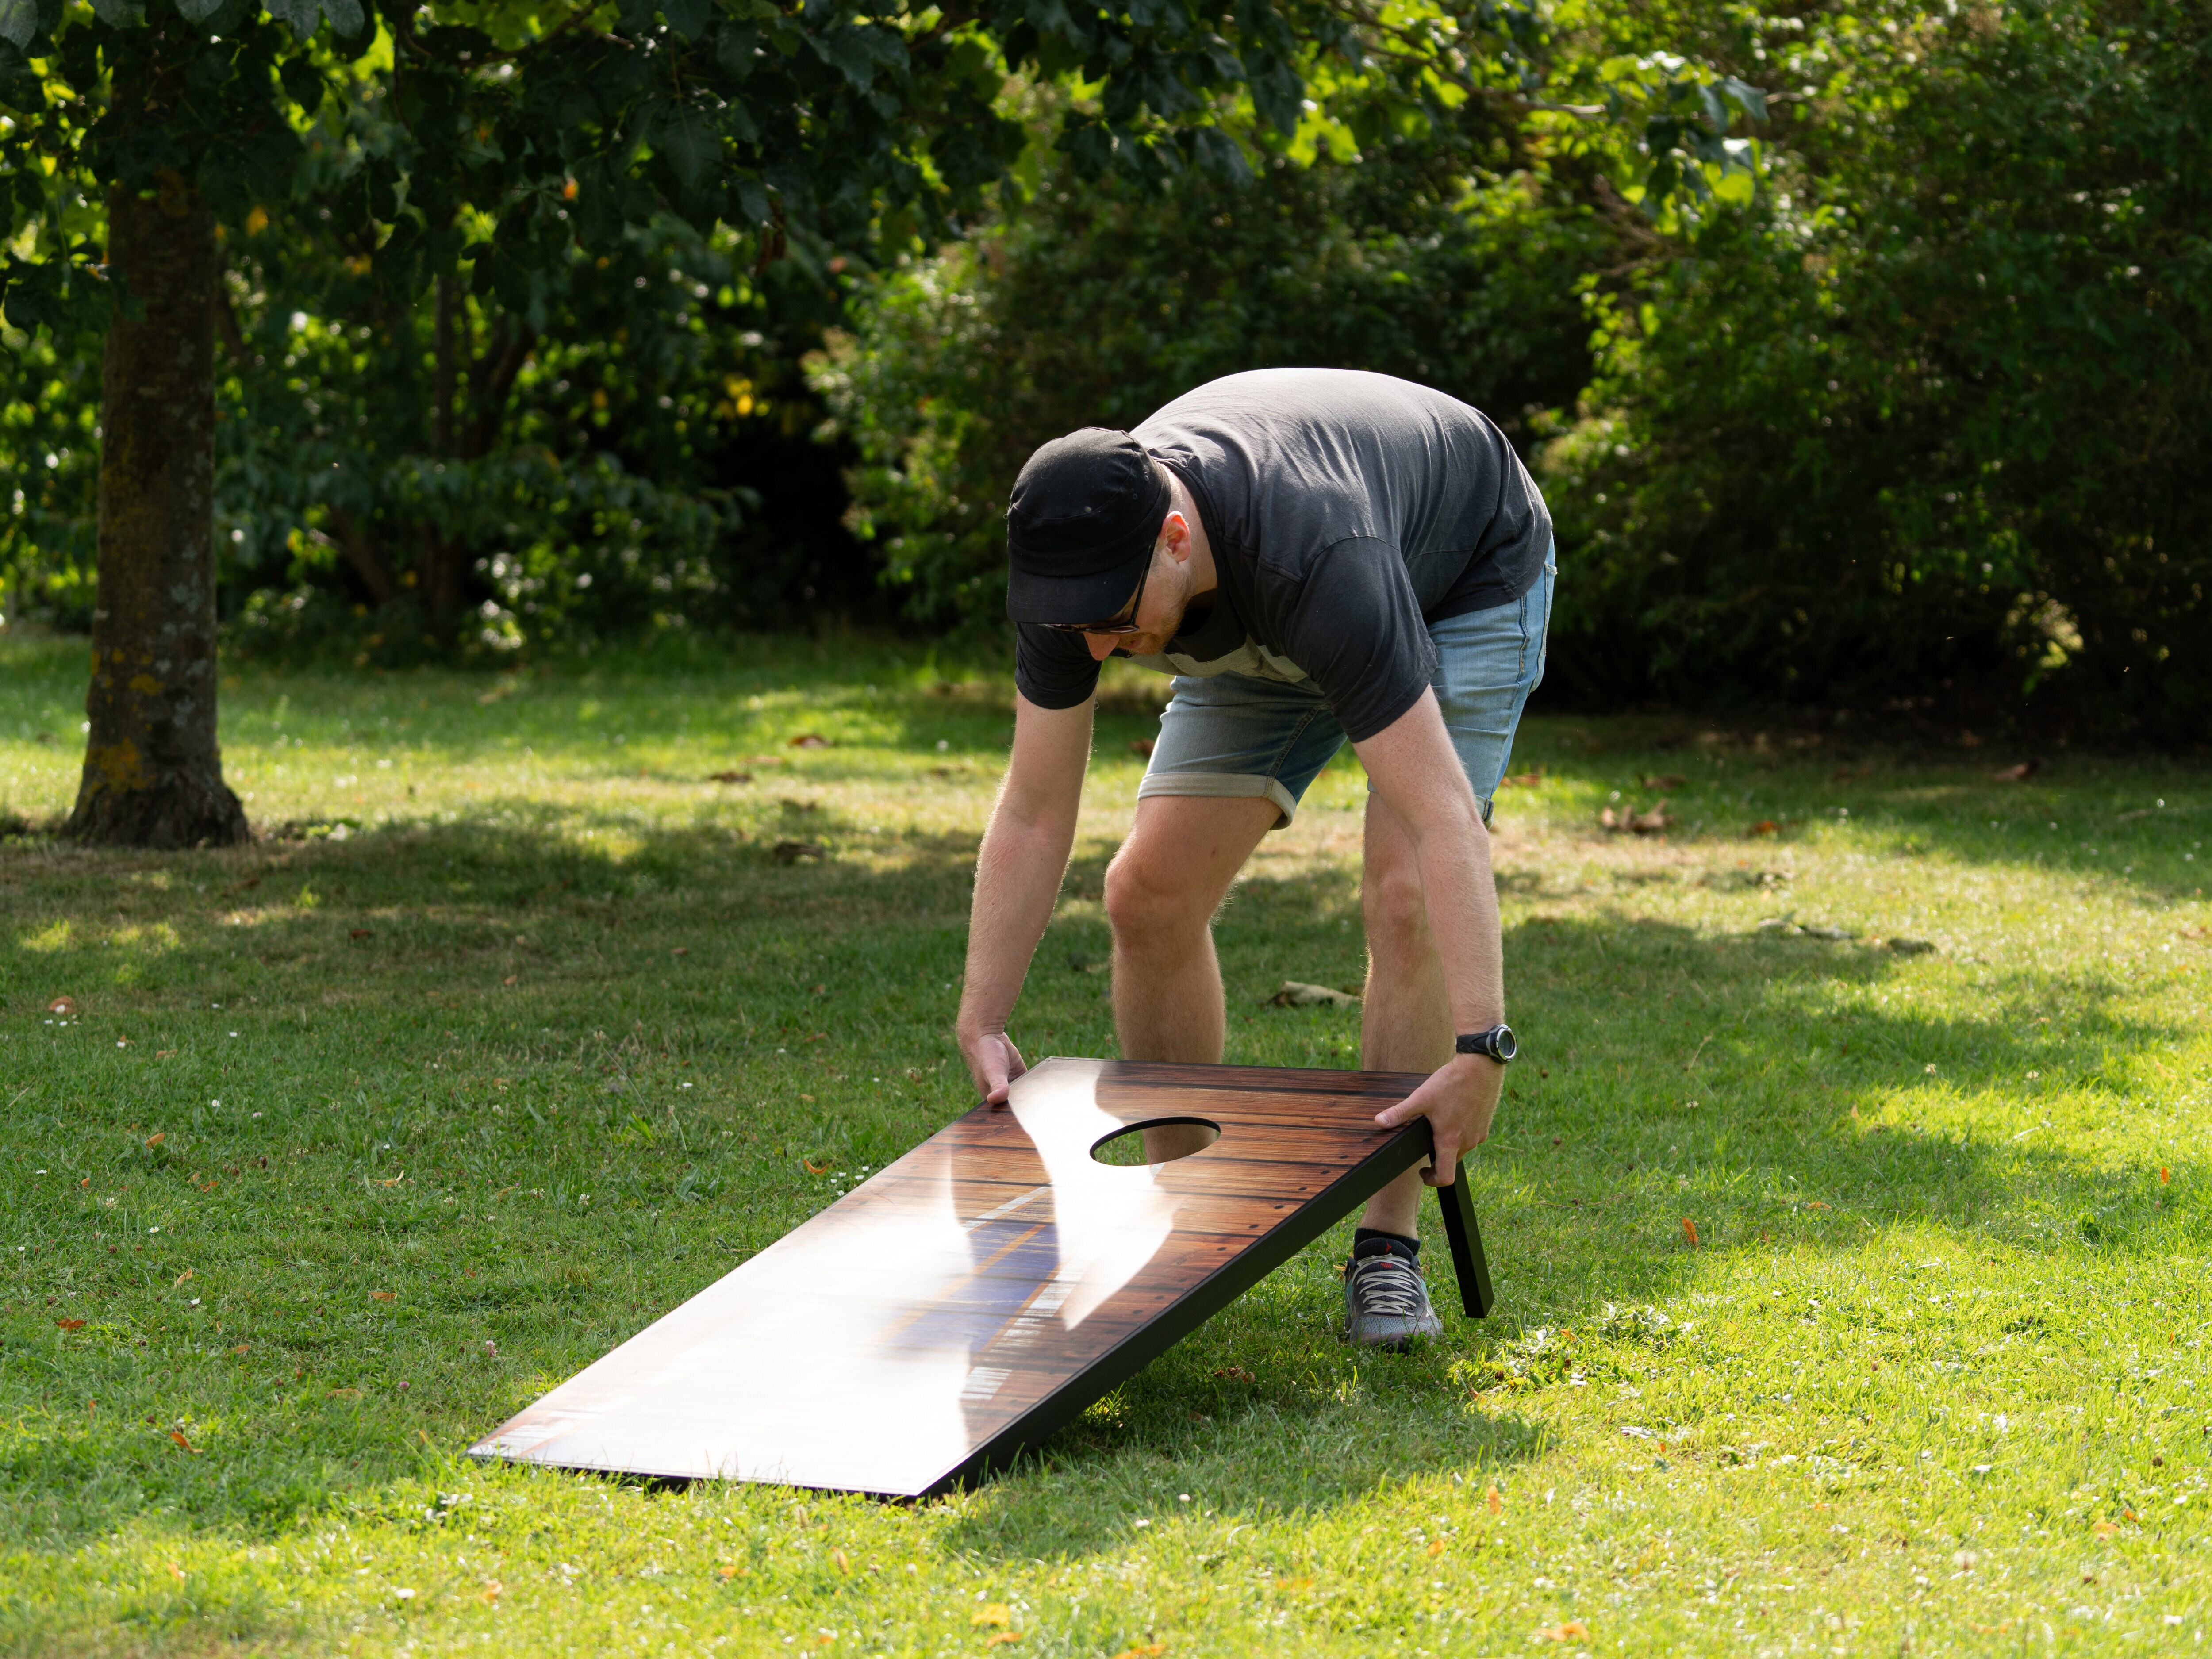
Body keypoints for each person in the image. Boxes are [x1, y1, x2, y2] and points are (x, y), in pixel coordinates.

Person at [954, 367, 1554, 1348]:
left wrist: (1481, 1045)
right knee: (1146, 893)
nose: (1100, 647)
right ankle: (1195, 1213)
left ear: (1175, 538)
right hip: (1261, 607)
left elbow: (1445, 819)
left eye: (1113, 616)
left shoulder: (1319, 555)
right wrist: (983, 1016)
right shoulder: (1081, 578)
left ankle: (1387, 1251)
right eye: (1079, 623)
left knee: (1403, 896)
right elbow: (1031, 813)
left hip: (1461, 575)